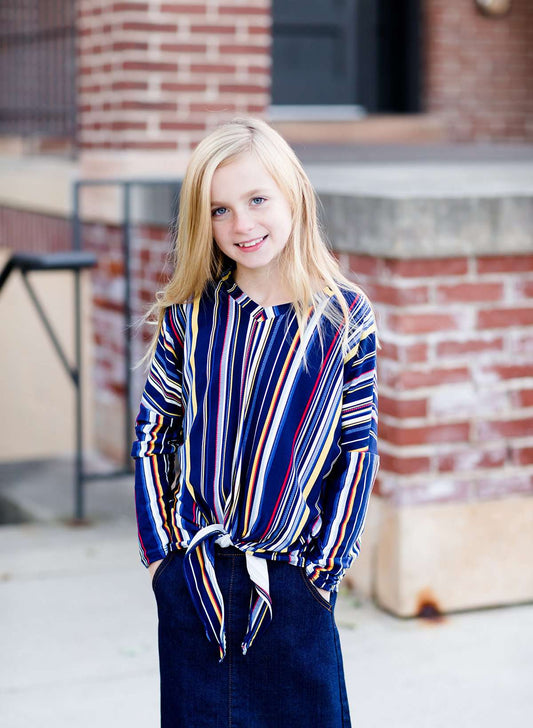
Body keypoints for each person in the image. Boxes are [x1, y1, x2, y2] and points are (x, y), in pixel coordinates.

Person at [131, 117, 379, 728]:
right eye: (219, 210)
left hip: (293, 582)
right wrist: (166, 558)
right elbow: (153, 435)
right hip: (198, 579)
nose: (241, 225)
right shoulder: (192, 316)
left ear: (293, 191)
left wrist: (323, 571)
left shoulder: (344, 318)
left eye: (257, 199)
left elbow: (356, 450)